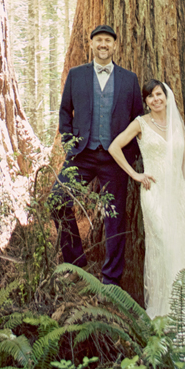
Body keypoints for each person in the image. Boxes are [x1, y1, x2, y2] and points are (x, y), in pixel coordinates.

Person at [108, 77, 185, 321]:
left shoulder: (177, 124)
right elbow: (115, 147)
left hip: (178, 193)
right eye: (150, 96)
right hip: (154, 194)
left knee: (181, 249)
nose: (155, 99)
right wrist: (135, 174)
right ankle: (165, 309)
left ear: (166, 97)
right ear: (145, 101)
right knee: (164, 247)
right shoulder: (140, 124)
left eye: (159, 94)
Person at [52, 25, 144, 284]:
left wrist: (129, 153)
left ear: (115, 46)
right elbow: (64, 112)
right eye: (98, 41)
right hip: (82, 155)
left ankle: (110, 279)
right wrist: (70, 146)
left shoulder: (129, 79)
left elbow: (138, 119)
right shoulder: (76, 75)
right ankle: (75, 264)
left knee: (115, 217)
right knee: (58, 200)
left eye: (108, 41)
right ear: (91, 45)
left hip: (115, 159)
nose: (103, 45)